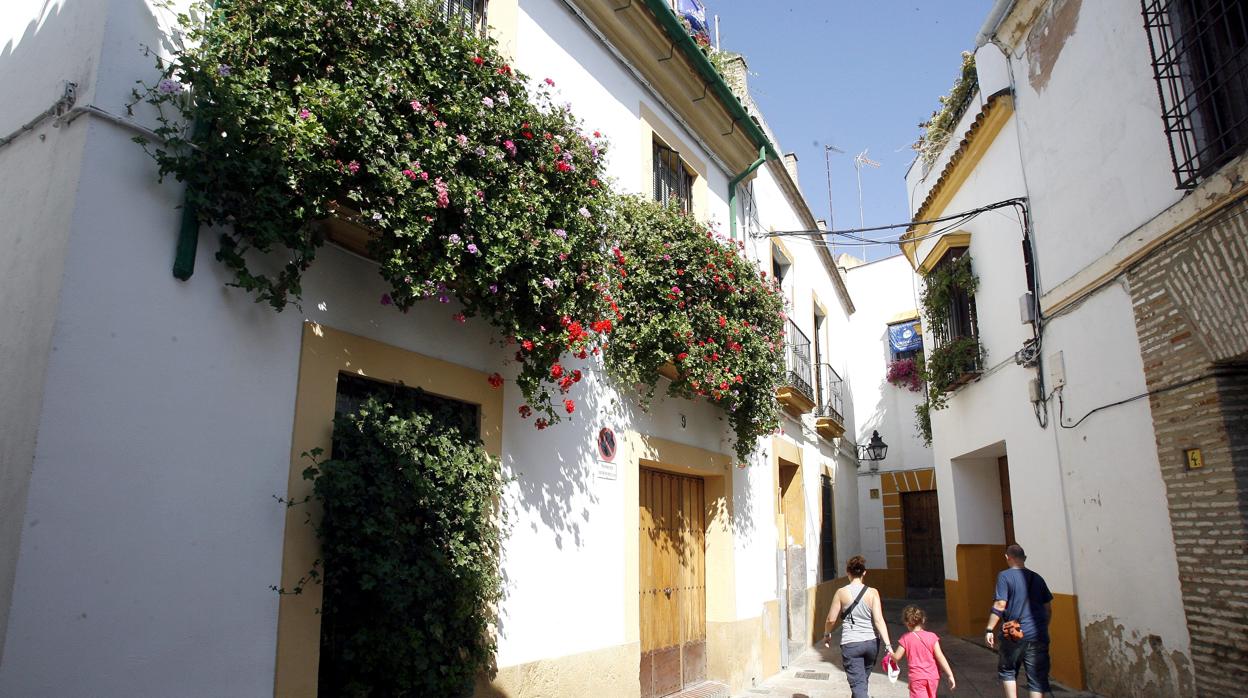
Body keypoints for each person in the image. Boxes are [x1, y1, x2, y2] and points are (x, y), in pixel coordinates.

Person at [985, 543, 1054, 698]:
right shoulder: (1038, 578)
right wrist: (1043, 626)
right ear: (1025, 558)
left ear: (1007, 558)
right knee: (1036, 678)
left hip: (1013, 631)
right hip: (1037, 633)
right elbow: (1048, 608)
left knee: (1008, 670)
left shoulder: (1004, 576)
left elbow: (1000, 604)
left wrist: (990, 628)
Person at [823, 555, 893, 698]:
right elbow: (879, 620)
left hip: (851, 644)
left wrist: (827, 634)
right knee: (861, 682)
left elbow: (831, 619)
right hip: (871, 643)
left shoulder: (841, 593)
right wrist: (888, 644)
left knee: (858, 685)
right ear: (864, 573)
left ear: (848, 572)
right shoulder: (873, 592)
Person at [891, 605, 956, 698]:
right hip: (933, 677)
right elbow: (940, 656)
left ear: (907, 623)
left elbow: (897, 657)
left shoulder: (906, 638)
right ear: (923, 620)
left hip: (917, 678)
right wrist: (950, 675)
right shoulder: (932, 636)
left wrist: (891, 655)